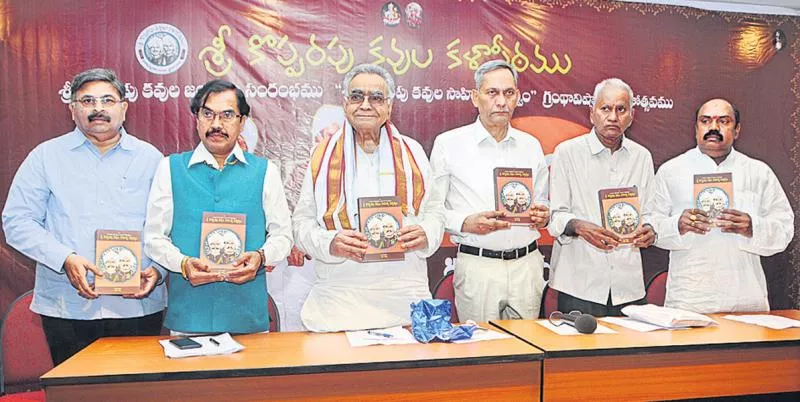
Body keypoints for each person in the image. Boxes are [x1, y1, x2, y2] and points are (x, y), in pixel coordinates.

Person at [2, 68, 166, 365]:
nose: (99, 109)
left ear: (124, 107)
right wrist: (64, 258)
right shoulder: (45, 156)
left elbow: (171, 225)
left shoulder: (152, 159)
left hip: (136, 307)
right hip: (68, 307)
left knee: (136, 394)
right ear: (72, 109)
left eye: (108, 100)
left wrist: (159, 271)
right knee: (75, 393)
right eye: (87, 101)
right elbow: (17, 221)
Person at [293, 64, 444, 332]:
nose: (365, 105)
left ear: (389, 106)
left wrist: (426, 233)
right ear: (345, 103)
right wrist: (331, 243)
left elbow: (435, 212)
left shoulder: (413, 151)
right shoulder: (322, 155)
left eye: (376, 98)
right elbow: (301, 223)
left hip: (402, 296)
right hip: (340, 299)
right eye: (356, 96)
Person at [144, 79, 293, 334]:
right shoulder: (170, 168)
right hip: (189, 316)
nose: (216, 124)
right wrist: (182, 264)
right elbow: (154, 239)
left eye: (227, 115)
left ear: (242, 121)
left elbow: (283, 236)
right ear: (197, 118)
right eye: (208, 114)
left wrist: (260, 258)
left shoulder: (265, 171)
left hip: (247, 317)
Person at [429, 60, 549, 321]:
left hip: (526, 265)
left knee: (528, 354)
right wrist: (465, 222)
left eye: (509, 93)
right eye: (492, 93)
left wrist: (543, 214)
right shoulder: (449, 144)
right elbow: (432, 210)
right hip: (478, 266)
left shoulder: (531, 145)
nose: (501, 102)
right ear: (475, 97)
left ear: (517, 97)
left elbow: (542, 201)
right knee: (482, 353)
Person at [649, 98, 794, 313]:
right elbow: (649, 225)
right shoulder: (671, 171)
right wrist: (677, 225)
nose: (713, 128)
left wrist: (752, 226)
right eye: (706, 121)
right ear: (696, 128)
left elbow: (784, 230)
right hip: (689, 301)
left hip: (746, 300)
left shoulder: (758, 172)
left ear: (736, 130)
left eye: (724, 121)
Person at [548, 78, 657, 317]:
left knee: (628, 354)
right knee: (579, 354)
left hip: (628, 285)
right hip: (579, 283)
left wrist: (650, 229)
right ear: (592, 113)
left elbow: (650, 213)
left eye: (621, 109)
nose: (613, 117)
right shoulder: (567, 153)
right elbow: (555, 216)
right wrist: (579, 226)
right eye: (605, 108)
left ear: (631, 115)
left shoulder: (642, 157)